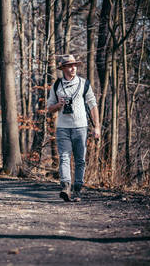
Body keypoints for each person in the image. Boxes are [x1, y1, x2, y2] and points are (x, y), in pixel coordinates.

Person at [46, 55, 100, 202]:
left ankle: (77, 190)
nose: (73, 68)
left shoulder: (84, 84)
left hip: (81, 127)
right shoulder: (56, 85)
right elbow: (49, 107)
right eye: (69, 66)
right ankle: (65, 187)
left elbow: (92, 105)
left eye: (75, 65)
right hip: (63, 127)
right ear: (63, 68)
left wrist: (97, 126)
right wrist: (58, 105)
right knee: (64, 157)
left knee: (80, 160)